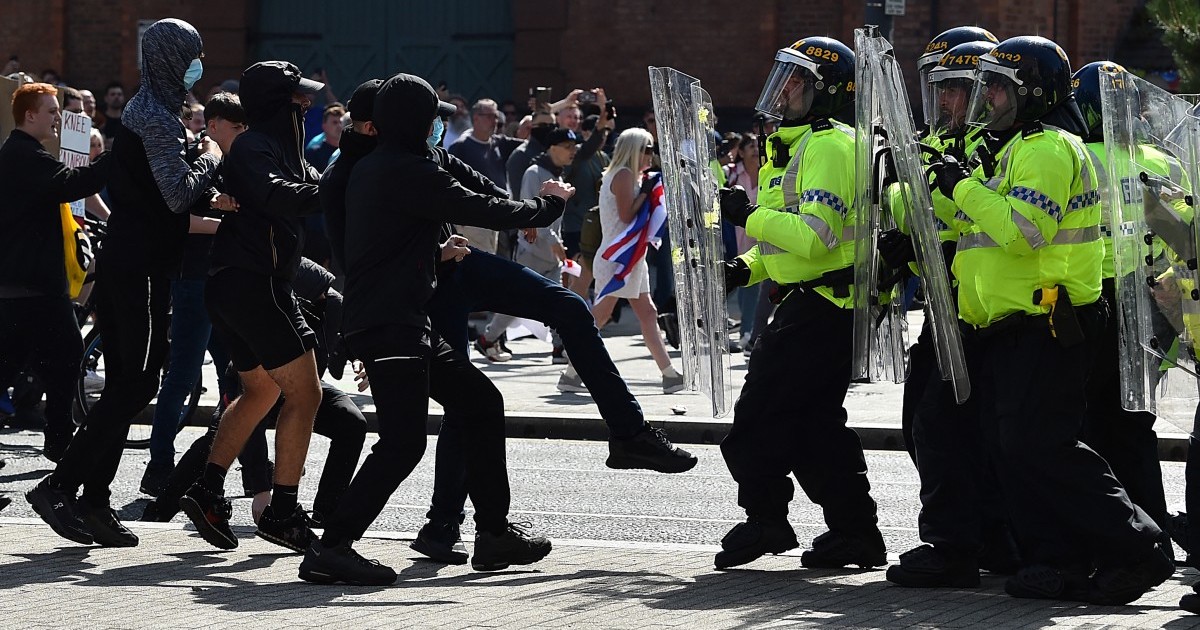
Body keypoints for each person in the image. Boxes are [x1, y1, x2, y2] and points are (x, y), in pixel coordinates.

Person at [929, 35, 1171, 603]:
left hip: (1049, 320)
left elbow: (1024, 229)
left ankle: (1139, 547)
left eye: (997, 86)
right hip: (1010, 324)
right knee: (1015, 449)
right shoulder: (1010, 147)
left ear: (1031, 93)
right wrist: (929, 181)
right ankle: (1056, 560)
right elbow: (975, 221)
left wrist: (957, 184)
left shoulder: (1046, 148)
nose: (986, 97)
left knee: (1047, 447)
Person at [298, 73, 566, 586]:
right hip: (389, 320)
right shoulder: (402, 168)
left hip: (401, 317)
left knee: (481, 402)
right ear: (416, 121)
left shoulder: (379, 165)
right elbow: (481, 207)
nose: (437, 126)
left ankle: (492, 533)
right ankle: (332, 547)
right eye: (431, 117)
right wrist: (547, 208)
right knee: (403, 443)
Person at [25, 18, 221, 548]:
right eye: (191, 53)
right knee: (136, 385)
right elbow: (179, 195)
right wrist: (212, 157)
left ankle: (92, 501)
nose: (196, 64)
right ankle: (63, 486)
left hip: (138, 264)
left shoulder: (153, 111)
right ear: (169, 58)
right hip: (140, 268)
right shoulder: (154, 116)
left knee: (130, 386)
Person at [717, 36, 887, 571]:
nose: (782, 90)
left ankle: (766, 518)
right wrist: (744, 268)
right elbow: (792, 249)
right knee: (815, 430)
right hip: (812, 300)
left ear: (829, 93)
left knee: (757, 420)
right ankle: (856, 534)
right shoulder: (792, 146)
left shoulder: (831, 146)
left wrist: (746, 217)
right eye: (781, 77)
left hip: (825, 309)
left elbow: (815, 238)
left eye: (797, 82)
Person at [882, 34, 1024, 589]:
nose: (942, 103)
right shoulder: (941, 145)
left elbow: (975, 223)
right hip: (948, 307)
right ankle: (989, 534)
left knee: (942, 426)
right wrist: (909, 246)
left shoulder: (987, 150)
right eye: (936, 89)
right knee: (930, 425)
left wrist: (931, 244)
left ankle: (956, 544)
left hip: (980, 311)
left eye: (954, 91)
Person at [179, 61, 327, 554]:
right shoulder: (253, 147)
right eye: (298, 98)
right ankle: (282, 510)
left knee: (261, 391)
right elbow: (276, 195)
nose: (306, 105)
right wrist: (334, 184)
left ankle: (205, 491)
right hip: (252, 285)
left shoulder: (282, 147)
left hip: (247, 285)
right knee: (305, 395)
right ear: (274, 104)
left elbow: (314, 188)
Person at [1072, 59, 1174, 553]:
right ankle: (1154, 526)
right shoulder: (1161, 160)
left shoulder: (1079, 157)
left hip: (1102, 297)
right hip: (1157, 298)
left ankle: (1124, 535)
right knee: (1135, 421)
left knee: (1092, 423)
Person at [139, 92, 245, 496]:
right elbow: (178, 219)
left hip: (218, 279)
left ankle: (228, 462)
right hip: (193, 280)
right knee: (182, 375)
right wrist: (227, 223)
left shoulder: (226, 161)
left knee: (233, 375)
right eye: (234, 128)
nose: (240, 135)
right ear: (213, 125)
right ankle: (159, 466)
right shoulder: (191, 158)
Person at [0, 82, 110, 468]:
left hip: (23, 284)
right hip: (35, 285)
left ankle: (59, 438)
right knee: (66, 355)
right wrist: (117, 156)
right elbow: (75, 183)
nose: (57, 117)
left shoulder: (21, 154)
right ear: (30, 116)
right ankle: (60, 441)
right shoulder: (24, 156)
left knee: (16, 363)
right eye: (50, 111)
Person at [586, 128, 684, 393]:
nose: (651, 154)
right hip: (619, 258)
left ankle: (670, 375)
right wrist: (647, 192)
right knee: (601, 317)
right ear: (633, 150)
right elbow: (628, 215)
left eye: (652, 148)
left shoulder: (630, 175)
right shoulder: (624, 174)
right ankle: (572, 371)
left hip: (631, 257)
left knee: (648, 313)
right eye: (647, 148)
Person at [724, 134, 761, 352]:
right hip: (734, 238)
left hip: (759, 238)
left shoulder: (769, 172)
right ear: (741, 152)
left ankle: (747, 331)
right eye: (750, 146)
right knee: (734, 285)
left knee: (753, 287)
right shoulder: (732, 175)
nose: (755, 150)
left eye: (758, 145)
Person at [304, 102, 344, 172]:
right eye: (334, 122)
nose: (339, 126)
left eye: (341, 122)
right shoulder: (312, 155)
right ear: (324, 126)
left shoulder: (349, 153)